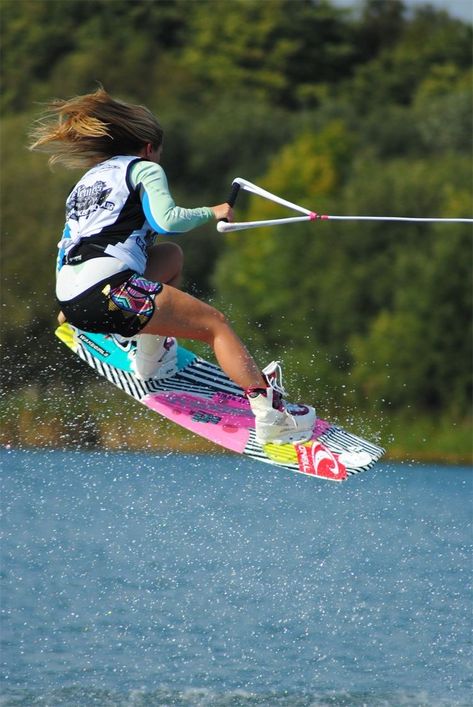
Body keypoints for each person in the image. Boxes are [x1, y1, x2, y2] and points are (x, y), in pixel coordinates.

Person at [29, 88, 315, 444]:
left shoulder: (86, 183)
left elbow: (68, 246)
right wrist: (213, 211)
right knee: (215, 325)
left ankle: (150, 361)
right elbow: (167, 220)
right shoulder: (143, 168)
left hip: (73, 298)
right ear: (149, 147)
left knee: (170, 257)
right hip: (111, 292)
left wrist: (69, 308)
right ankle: (271, 417)